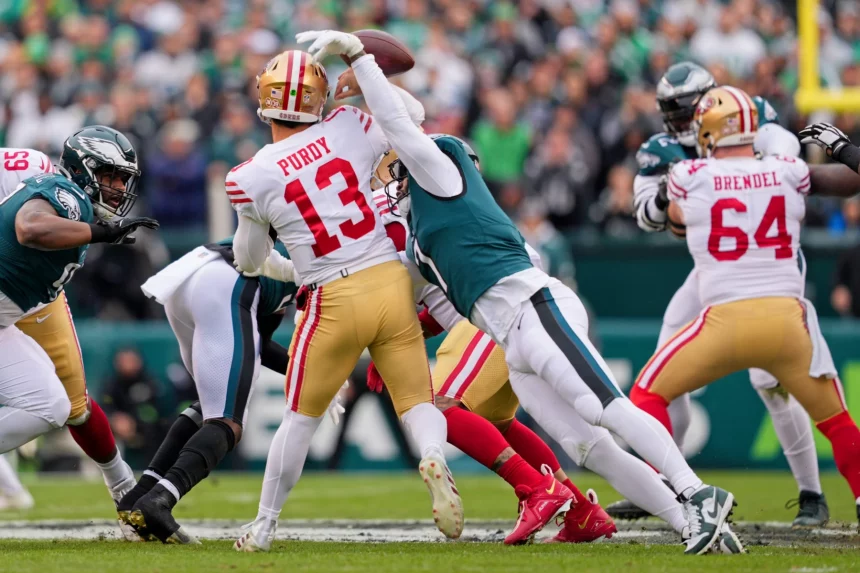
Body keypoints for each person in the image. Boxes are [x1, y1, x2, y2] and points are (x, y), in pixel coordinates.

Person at [305, 29, 740, 556]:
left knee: (604, 407)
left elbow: (401, 121)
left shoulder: (441, 172)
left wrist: (359, 59)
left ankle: (697, 493)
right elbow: (403, 304)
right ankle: (687, 522)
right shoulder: (420, 235)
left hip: (534, 305)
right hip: (510, 338)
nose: (389, 176)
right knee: (586, 446)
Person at [228, 48, 461, 552]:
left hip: (332, 297)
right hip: (389, 281)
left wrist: (285, 265)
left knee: (299, 420)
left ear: (263, 99)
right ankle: (434, 453)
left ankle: (264, 527)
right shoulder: (348, 125)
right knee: (416, 401)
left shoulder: (252, 174)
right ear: (321, 96)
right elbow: (413, 118)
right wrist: (365, 83)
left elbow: (248, 259)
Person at [630, 85, 860, 528]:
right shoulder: (788, 169)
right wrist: (843, 147)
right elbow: (850, 183)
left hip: (724, 321)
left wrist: (669, 200)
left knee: (645, 396)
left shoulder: (690, 174)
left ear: (709, 131)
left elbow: (672, 216)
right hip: (788, 324)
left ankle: (681, 493)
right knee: (838, 422)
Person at [369, 176, 616, 545]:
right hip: (514, 306)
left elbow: (441, 290)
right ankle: (580, 510)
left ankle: (535, 487)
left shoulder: (384, 214)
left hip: (494, 310)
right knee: (495, 422)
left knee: (440, 409)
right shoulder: (436, 200)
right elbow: (440, 294)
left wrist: (391, 342)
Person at [115, 231, 340, 544]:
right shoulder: (332, 267)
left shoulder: (301, 236)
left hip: (190, 274)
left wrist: (305, 373)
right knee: (228, 422)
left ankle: (138, 496)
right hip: (225, 284)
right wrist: (315, 374)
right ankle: (159, 501)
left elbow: (257, 342)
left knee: (216, 409)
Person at [0, 129, 158, 540]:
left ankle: (123, 485)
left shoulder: (73, 201)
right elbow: (29, 226)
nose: (120, 188)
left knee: (53, 403)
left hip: (18, 301)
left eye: (124, 179)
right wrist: (103, 233)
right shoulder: (63, 193)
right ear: (84, 169)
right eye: (111, 176)